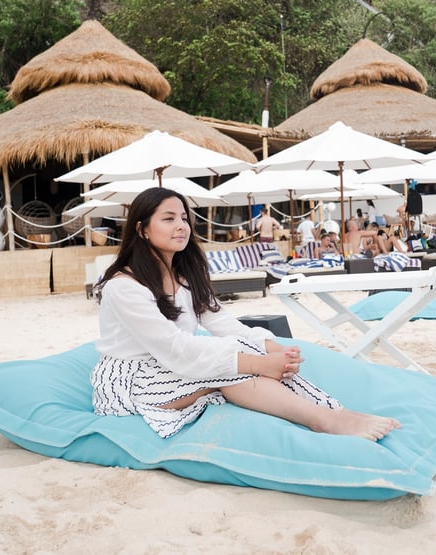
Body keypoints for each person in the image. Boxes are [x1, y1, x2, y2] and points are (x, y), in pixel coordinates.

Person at [90, 187, 400, 441]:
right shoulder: (124, 287)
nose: (181, 226)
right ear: (142, 229)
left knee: (242, 350)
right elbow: (174, 348)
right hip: (132, 379)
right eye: (168, 219)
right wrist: (260, 363)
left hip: (171, 363)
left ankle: (335, 412)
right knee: (229, 366)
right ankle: (322, 420)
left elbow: (221, 322)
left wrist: (268, 346)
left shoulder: (185, 274)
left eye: (184, 218)